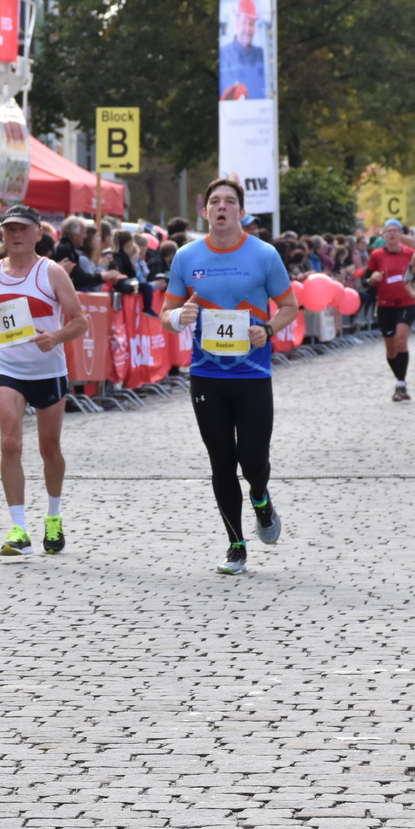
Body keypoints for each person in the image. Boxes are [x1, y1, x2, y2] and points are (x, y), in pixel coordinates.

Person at [158, 178, 299, 574]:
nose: (221, 207)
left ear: (240, 211)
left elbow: (289, 305)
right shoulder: (186, 257)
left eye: (229, 202)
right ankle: (235, 544)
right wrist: (177, 317)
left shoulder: (264, 254)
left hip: (253, 375)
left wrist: (268, 329)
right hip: (207, 375)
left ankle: (260, 497)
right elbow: (165, 316)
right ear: (205, 212)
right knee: (221, 460)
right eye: (214, 202)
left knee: (253, 460)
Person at [0, 204, 88, 556]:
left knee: (49, 449)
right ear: (2, 235)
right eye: (9, 229)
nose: (16, 235)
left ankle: (53, 516)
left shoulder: (50, 273)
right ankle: (18, 528)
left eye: (23, 228)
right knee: (10, 444)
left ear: (38, 233)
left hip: (48, 370)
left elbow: (80, 320)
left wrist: (57, 336)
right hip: (8, 369)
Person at [365, 218, 415, 401]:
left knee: (401, 339)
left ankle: (401, 384)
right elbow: (366, 279)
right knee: (391, 349)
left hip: (406, 303)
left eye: (396, 231)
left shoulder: (410, 253)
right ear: (384, 235)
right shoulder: (376, 255)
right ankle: (399, 379)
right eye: (389, 231)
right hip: (385, 305)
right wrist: (373, 278)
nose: (392, 234)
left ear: (401, 234)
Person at [218, 0, 267, 100]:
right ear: (237, 24)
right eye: (244, 23)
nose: (248, 29)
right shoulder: (224, 54)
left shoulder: (262, 55)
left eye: (251, 24)